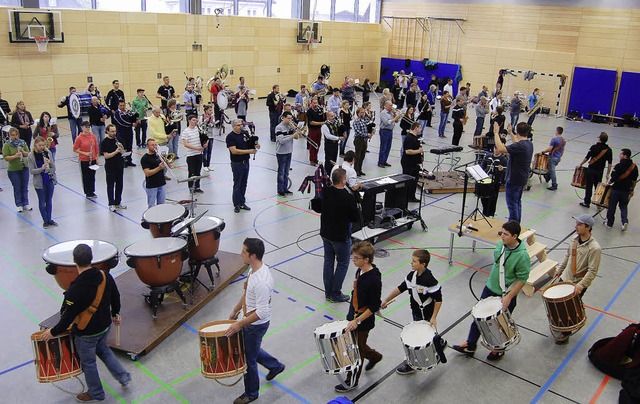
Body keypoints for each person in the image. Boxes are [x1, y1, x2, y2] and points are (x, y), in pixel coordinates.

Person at [39, 243, 132, 403]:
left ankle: (96, 393)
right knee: (104, 351)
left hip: (86, 333)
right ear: (91, 259)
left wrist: (53, 332)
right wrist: (115, 313)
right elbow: (115, 296)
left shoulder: (75, 289)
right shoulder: (104, 275)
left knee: (88, 363)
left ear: (74, 260)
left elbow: (67, 317)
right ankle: (123, 376)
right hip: (104, 326)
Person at [451, 220, 530, 360]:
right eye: (502, 233)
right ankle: (470, 344)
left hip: (505, 295)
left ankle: (498, 349)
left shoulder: (522, 256)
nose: (502, 236)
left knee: (500, 325)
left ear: (515, 236)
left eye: (506, 234)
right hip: (490, 289)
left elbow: (522, 280)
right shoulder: (500, 245)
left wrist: (509, 297)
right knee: (478, 317)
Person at [225, 238, 285, 404]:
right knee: (251, 348)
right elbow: (247, 295)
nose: (240, 254)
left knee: (248, 360)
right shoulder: (254, 271)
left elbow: (262, 312)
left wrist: (239, 324)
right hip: (250, 322)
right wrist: (236, 310)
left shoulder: (262, 282)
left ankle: (251, 393)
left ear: (253, 255)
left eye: (244, 252)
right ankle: (275, 366)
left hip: (255, 326)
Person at [381, 249, 442, 375]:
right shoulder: (411, 276)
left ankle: (414, 364)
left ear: (423, 264)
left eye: (414, 261)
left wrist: (434, 317)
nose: (411, 263)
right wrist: (386, 300)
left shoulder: (429, 280)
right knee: (425, 333)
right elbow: (400, 288)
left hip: (426, 314)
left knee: (418, 338)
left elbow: (438, 300)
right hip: (416, 311)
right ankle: (439, 342)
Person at [336, 241, 383, 392]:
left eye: (356, 258)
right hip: (354, 315)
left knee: (356, 351)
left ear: (366, 259)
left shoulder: (374, 279)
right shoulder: (360, 271)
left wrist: (357, 320)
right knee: (358, 344)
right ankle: (375, 356)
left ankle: (352, 381)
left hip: (363, 320)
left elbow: (373, 306)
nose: (353, 260)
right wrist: (351, 317)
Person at [552, 214, 601, 343]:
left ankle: (566, 332)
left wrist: (581, 285)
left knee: (570, 308)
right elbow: (567, 256)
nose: (576, 226)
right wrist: (560, 270)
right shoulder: (574, 239)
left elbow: (592, 271)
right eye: (576, 224)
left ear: (588, 227)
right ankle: (560, 323)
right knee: (559, 304)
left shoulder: (594, 248)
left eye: (580, 224)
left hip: (577, 283)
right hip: (565, 278)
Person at [321, 168, 360, 303]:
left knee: (328, 261)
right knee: (342, 263)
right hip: (340, 236)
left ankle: (328, 292)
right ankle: (336, 293)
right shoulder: (347, 197)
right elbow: (355, 218)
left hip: (326, 232)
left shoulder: (326, 191)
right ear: (343, 180)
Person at [494, 122, 533, 223]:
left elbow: (501, 148)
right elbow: (517, 143)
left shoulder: (520, 146)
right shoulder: (528, 144)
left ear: (518, 132)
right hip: (522, 178)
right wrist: (511, 133)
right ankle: (516, 224)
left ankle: (512, 227)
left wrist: (496, 133)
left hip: (514, 179)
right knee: (517, 203)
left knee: (512, 205)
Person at [227, 119, 258, 213]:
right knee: (237, 184)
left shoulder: (244, 133)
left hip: (246, 162)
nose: (240, 127)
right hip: (237, 163)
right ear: (233, 126)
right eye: (238, 125)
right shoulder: (230, 137)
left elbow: (249, 143)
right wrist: (249, 151)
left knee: (244, 183)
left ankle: (242, 202)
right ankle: (236, 204)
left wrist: (255, 144)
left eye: (241, 125)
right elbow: (234, 151)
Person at [605, 148, 638, 230]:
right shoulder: (634, 167)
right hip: (626, 190)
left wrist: (608, 183)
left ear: (625, 156)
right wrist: (632, 190)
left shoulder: (618, 166)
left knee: (612, 206)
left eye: (621, 154)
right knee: (623, 206)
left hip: (616, 189)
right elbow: (634, 180)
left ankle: (609, 223)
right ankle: (624, 221)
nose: (619, 155)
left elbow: (613, 178)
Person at [27, 136, 57, 227]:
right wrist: (41, 169)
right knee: (42, 201)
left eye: (43, 145)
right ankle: (45, 221)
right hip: (39, 182)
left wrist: (50, 165)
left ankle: (50, 219)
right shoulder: (31, 156)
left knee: (49, 201)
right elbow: (32, 171)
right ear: (35, 145)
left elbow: (53, 168)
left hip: (49, 179)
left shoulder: (47, 152)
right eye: (40, 145)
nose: (42, 147)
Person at [579, 132, 613, 208]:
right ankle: (598, 202)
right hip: (600, 171)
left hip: (591, 170)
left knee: (589, 186)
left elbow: (587, 157)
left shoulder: (593, 147)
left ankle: (587, 202)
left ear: (599, 139)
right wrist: (608, 174)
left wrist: (581, 164)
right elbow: (610, 163)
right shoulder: (609, 150)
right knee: (598, 187)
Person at [3, 127, 31, 212]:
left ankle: (26, 203)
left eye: (16, 135)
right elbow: (6, 157)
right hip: (13, 170)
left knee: (25, 187)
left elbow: (28, 153)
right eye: (12, 135)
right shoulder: (7, 145)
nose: (15, 137)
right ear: (9, 135)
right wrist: (15, 156)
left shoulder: (22, 143)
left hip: (24, 167)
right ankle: (19, 204)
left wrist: (22, 151)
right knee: (17, 187)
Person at [101, 124, 127, 212]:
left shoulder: (119, 140)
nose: (114, 133)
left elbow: (123, 152)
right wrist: (116, 151)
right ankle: (111, 203)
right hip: (110, 167)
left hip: (119, 165)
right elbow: (106, 156)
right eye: (112, 131)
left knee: (120, 185)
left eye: (115, 131)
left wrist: (122, 150)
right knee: (111, 185)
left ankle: (118, 202)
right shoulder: (104, 142)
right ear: (107, 131)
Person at [480, 143, 508, 217]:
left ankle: (491, 214)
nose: (496, 151)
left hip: (495, 182)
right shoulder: (488, 156)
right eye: (495, 148)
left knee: (493, 199)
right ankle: (484, 211)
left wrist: (501, 171)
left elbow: (505, 172)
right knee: (483, 197)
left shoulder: (504, 159)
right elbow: (483, 166)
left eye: (498, 149)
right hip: (486, 180)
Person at [275, 111, 299, 197]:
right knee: (281, 172)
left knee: (286, 172)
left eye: (291, 119)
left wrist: (294, 129)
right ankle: (280, 189)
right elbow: (281, 141)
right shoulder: (279, 128)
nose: (290, 120)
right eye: (288, 118)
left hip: (289, 151)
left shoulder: (290, 126)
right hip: (281, 153)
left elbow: (297, 137)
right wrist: (292, 136)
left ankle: (285, 188)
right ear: (283, 118)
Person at [74, 122, 99, 199]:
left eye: (89, 127)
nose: (88, 128)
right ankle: (87, 192)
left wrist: (97, 158)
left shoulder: (93, 136)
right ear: (82, 127)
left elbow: (96, 148)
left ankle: (92, 191)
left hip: (93, 159)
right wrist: (85, 153)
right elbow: (75, 149)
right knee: (86, 176)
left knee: (92, 176)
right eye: (86, 127)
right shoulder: (79, 138)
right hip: (84, 160)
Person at [181, 114, 206, 193]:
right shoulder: (186, 132)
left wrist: (205, 144)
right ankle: (191, 187)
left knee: (198, 172)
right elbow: (186, 144)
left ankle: (197, 187)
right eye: (193, 120)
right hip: (191, 155)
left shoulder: (199, 129)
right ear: (189, 121)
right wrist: (197, 148)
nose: (195, 122)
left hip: (199, 154)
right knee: (192, 172)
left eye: (196, 120)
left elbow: (205, 137)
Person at [141, 138, 168, 208]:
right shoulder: (145, 158)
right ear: (147, 146)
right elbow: (147, 173)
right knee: (151, 206)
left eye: (155, 145)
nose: (155, 146)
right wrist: (159, 168)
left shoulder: (159, 155)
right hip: (152, 185)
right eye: (152, 145)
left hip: (162, 183)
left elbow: (168, 165)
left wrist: (167, 162)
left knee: (162, 205)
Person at [401, 122, 423, 203]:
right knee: (409, 181)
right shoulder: (409, 138)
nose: (420, 129)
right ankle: (406, 197)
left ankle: (411, 196)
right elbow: (408, 151)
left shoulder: (416, 137)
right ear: (416, 128)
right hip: (408, 163)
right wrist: (419, 151)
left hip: (414, 163)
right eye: (419, 127)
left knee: (414, 181)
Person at [112, 101, 138, 167]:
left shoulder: (127, 111)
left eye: (123, 105)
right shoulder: (117, 113)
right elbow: (121, 121)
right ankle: (123, 161)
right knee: (123, 147)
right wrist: (131, 124)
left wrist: (136, 118)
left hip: (129, 132)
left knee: (129, 147)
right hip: (121, 132)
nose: (122, 107)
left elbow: (132, 117)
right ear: (118, 106)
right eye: (121, 105)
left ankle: (129, 160)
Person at [378, 100, 402, 168]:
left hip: (390, 131)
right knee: (383, 147)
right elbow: (387, 122)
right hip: (384, 131)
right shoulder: (383, 113)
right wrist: (395, 118)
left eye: (392, 105)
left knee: (388, 147)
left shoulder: (391, 112)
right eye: (390, 105)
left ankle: (384, 160)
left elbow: (396, 121)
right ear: (386, 106)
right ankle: (380, 162)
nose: (392, 107)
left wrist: (395, 114)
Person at [542, 127, 566, 191]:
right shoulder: (563, 140)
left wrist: (542, 152)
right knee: (550, 169)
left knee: (552, 171)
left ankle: (554, 184)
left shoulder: (554, 139)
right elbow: (563, 150)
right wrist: (560, 157)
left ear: (557, 131)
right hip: (558, 157)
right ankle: (547, 177)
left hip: (552, 157)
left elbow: (550, 149)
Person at [306, 96, 325, 165]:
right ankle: (312, 160)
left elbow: (322, 119)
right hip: (312, 129)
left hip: (318, 129)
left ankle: (315, 158)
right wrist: (322, 123)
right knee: (312, 145)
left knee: (318, 144)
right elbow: (311, 122)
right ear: (311, 104)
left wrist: (324, 114)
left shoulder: (319, 110)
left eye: (316, 103)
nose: (315, 104)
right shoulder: (309, 111)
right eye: (314, 103)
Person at [352, 107, 371, 177]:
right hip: (359, 140)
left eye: (363, 112)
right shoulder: (356, 121)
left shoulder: (365, 120)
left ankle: (360, 169)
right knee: (358, 156)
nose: (363, 114)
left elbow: (370, 122)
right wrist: (366, 134)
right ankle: (356, 170)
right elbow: (357, 131)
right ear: (358, 113)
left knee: (362, 156)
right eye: (361, 112)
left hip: (365, 140)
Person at [199, 104, 217, 172]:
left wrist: (212, 124)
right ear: (206, 111)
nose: (211, 111)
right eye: (209, 110)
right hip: (204, 136)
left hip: (211, 136)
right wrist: (205, 122)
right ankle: (205, 165)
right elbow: (199, 125)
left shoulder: (212, 117)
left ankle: (208, 165)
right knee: (205, 151)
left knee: (210, 151)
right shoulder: (202, 117)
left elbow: (213, 124)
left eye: (211, 110)